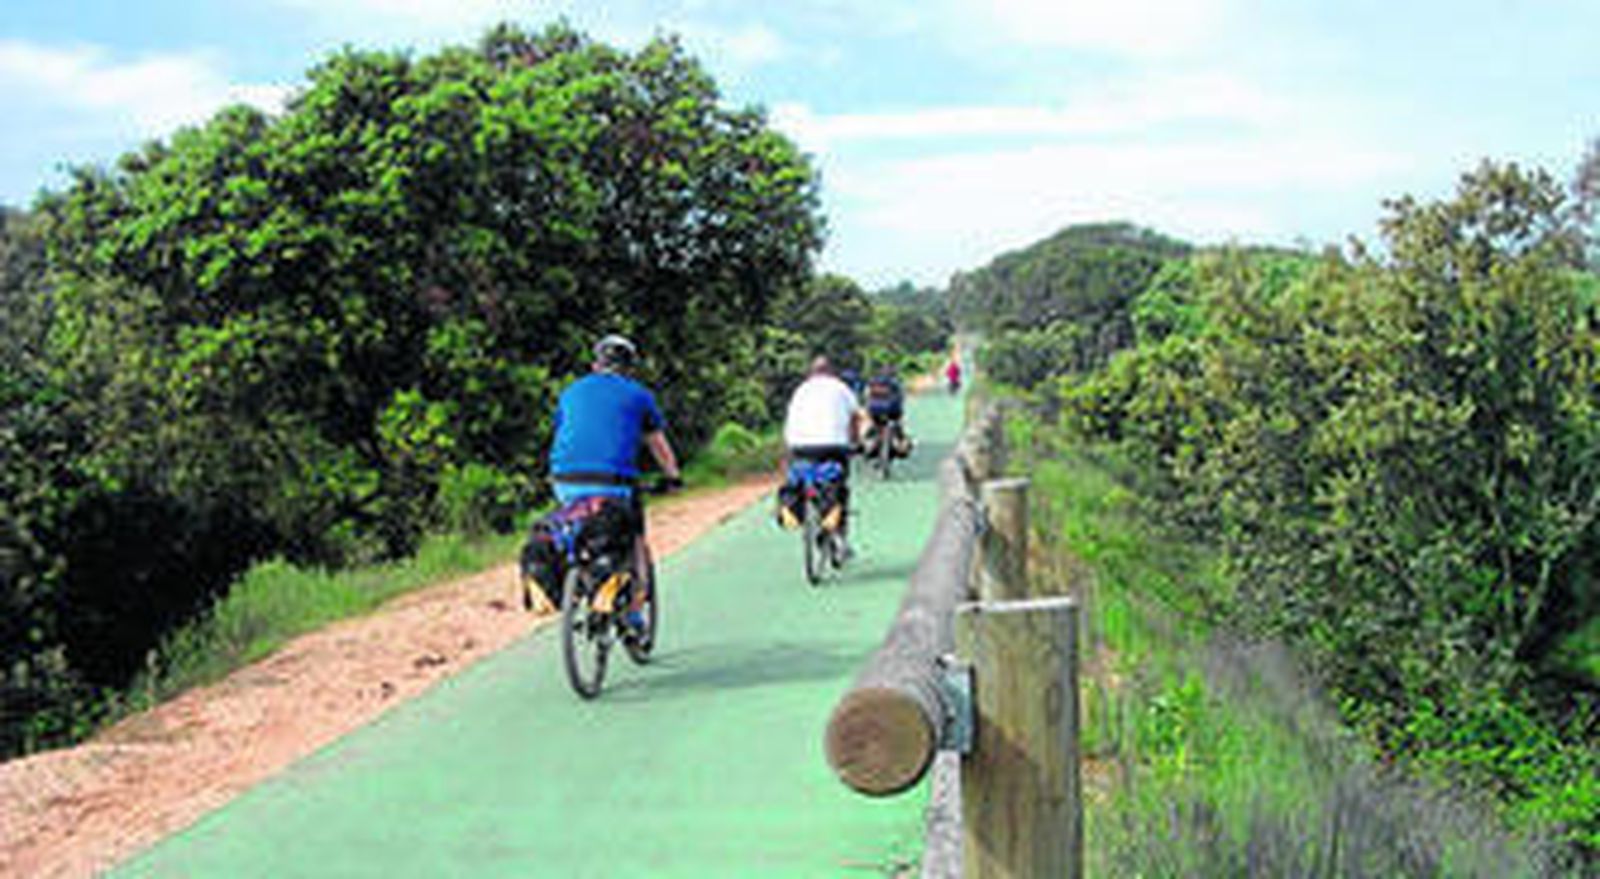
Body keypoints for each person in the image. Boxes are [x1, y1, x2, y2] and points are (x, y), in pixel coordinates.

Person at [547, 333, 682, 638]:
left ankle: (580, 581)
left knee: (579, 523)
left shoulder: (569, 392)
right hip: (613, 483)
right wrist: (672, 475)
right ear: (629, 368)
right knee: (632, 535)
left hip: (564, 480)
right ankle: (633, 613)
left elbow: (563, 431)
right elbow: (656, 442)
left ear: (596, 365)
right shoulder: (638, 395)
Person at [782, 356, 868, 554]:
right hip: (833, 446)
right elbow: (855, 418)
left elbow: (790, 422)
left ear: (811, 373)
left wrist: (788, 450)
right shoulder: (841, 388)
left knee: (801, 475)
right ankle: (838, 533)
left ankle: (801, 508)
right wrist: (856, 442)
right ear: (831, 372)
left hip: (799, 446)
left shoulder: (800, 390)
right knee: (840, 485)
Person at [863, 364, 909, 454]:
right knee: (899, 423)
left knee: (873, 424)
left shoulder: (873, 382)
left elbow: (866, 395)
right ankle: (901, 442)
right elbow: (901, 396)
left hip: (874, 409)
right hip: (893, 410)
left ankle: (867, 442)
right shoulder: (895, 382)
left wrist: (868, 405)